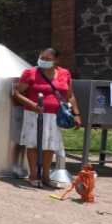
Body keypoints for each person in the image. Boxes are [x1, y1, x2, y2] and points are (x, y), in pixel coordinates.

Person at [14, 48, 82, 188]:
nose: (43, 61)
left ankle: (45, 176)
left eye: (47, 59)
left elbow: (70, 95)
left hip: (55, 116)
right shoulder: (30, 72)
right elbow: (16, 93)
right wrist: (32, 105)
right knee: (33, 144)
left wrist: (76, 114)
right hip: (34, 114)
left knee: (50, 145)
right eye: (42, 58)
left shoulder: (64, 73)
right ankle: (33, 175)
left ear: (56, 60)